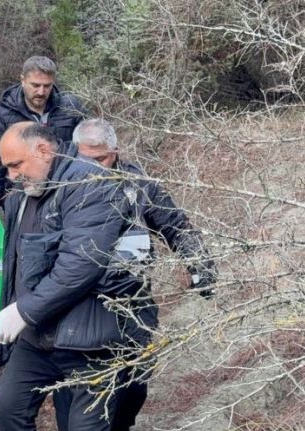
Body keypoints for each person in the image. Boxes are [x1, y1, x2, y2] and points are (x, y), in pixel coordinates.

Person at [51, 118, 217, 431]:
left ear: (115, 151)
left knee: (134, 385)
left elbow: (175, 224)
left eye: (101, 159)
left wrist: (200, 265)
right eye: (86, 159)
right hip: (81, 305)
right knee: (76, 393)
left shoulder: (138, 184)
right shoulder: (63, 187)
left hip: (134, 301)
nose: (94, 168)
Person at [0, 122, 130, 430]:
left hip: (90, 339)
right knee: (7, 409)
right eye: (7, 167)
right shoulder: (23, 193)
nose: (11, 176)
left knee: (83, 427)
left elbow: (81, 264)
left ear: (43, 150)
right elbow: (15, 263)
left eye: (16, 164)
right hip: (38, 335)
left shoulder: (90, 184)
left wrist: (24, 311)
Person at [0, 56, 87, 208]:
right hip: (22, 191)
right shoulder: (5, 114)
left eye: (47, 86)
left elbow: (87, 150)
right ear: (23, 80)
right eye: (35, 85)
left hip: (64, 188)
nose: (41, 92)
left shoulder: (70, 107)